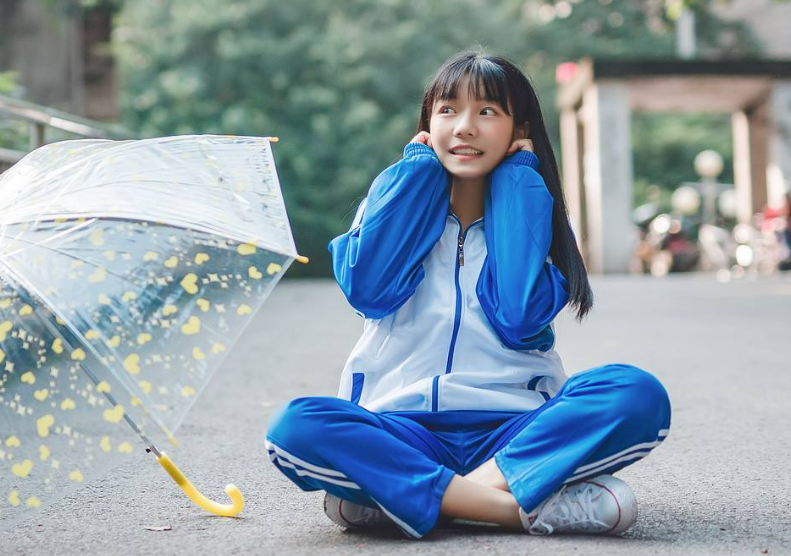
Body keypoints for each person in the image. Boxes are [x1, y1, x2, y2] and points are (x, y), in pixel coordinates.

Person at [265, 50, 671, 538]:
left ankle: (408, 497)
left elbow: (519, 316)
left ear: (518, 127)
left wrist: (520, 180)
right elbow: (370, 291)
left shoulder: (536, 213)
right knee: (299, 426)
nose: (465, 128)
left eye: (486, 112)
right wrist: (415, 176)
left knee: (635, 392)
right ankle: (514, 509)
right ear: (427, 124)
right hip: (402, 429)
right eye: (448, 110)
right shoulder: (389, 200)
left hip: (514, 433)